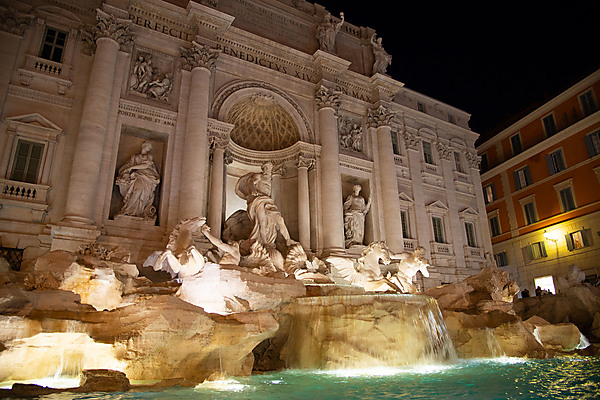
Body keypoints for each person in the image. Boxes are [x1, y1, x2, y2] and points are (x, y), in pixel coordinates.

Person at [235, 162, 294, 249]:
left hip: (268, 201)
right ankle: (265, 244)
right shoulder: (259, 176)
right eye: (266, 168)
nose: (268, 170)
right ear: (263, 168)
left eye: (270, 168)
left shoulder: (270, 178)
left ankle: (288, 240)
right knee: (261, 222)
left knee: (279, 219)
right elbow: (252, 181)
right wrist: (252, 190)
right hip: (258, 200)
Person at [116, 140, 160, 219]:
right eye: (148, 147)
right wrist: (125, 170)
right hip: (138, 176)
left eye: (150, 148)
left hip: (148, 177)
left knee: (143, 193)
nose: (149, 149)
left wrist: (132, 168)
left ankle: (139, 212)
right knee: (137, 190)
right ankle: (128, 210)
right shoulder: (135, 156)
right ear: (144, 146)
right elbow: (129, 164)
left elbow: (145, 165)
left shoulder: (149, 157)